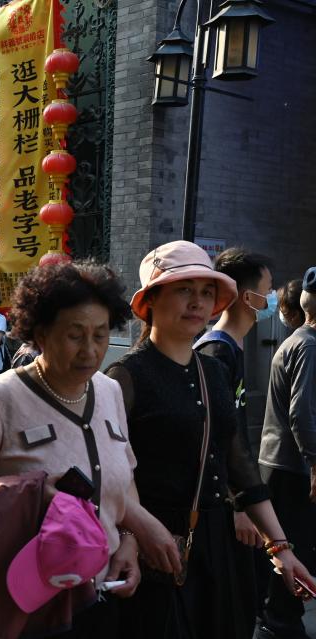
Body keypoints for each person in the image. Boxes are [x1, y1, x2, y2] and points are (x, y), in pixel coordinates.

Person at [0, 260, 170, 635]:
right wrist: (30, 495)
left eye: (100, 335)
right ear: (41, 334)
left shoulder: (110, 391)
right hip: (31, 595)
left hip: (101, 589)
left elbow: (123, 475)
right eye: (75, 335)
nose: (90, 350)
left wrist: (129, 540)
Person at [106, 240, 315, 639]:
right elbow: (116, 471)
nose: (197, 303)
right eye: (183, 289)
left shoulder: (213, 372)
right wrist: (132, 534)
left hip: (215, 540)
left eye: (206, 292)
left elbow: (238, 465)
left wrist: (281, 549)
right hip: (154, 545)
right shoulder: (126, 376)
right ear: (151, 300)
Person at [192, 248, 274, 633]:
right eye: (267, 291)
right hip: (222, 503)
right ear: (247, 297)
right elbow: (213, 438)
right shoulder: (214, 351)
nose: (271, 301)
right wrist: (236, 503)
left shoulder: (231, 348)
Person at [255, 266, 316, 639]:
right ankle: (279, 626)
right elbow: (302, 414)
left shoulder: (300, 340)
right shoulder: (309, 345)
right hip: (292, 469)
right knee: (291, 548)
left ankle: (279, 621)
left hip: (285, 466)